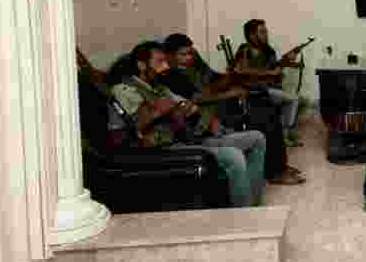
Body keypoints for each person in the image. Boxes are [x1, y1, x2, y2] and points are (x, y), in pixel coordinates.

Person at [111, 41, 268, 207]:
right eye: (159, 62)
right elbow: (125, 131)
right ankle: (243, 214)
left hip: (188, 137)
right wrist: (157, 113)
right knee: (233, 156)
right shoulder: (124, 90)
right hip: (161, 148)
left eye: (165, 62)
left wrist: (198, 114)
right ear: (141, 65)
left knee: (257, 138)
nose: (165, 67)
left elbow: (188, 106)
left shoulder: (159, 87)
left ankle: (252, 204)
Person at [160, 33, 305, 185]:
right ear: (169, 56)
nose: (189, 57)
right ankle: (275, 171)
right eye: (183, 54)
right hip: (208, 115)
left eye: (191, 53)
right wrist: (229, 93)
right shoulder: (171, 76)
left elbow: (215, 80)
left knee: (268, 110)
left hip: (219, 106)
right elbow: (197, 98)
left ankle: (279, 166)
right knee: (264, 119)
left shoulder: (194, 67)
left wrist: (232, 76)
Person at [234, 19, 303, 148]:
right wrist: (269, 73)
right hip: (250, 91)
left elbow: (274, 72)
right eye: (262, 32)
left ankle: (284, 134)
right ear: (251, 35)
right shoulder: (244, 50)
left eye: (266, 31)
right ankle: (284, 135)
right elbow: (240, 71)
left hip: (267, 89)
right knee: (292, 99)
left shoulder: (269, 51)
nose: (266, 34)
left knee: (296, 100)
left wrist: (284, 65)